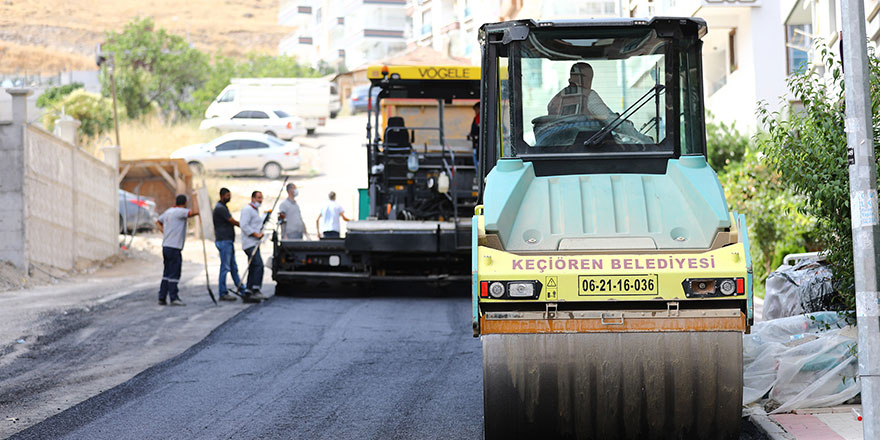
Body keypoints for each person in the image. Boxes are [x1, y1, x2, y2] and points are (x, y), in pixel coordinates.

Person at [547, 62, 650, 142]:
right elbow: (615, 124)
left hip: (560, 153)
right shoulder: (588, 96)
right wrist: (646, 141)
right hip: (586, 152)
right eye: (589, 78)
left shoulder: (555, 100)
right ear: (582, 78)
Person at [155, 194, 199, 306]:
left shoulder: (169, 211)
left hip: (166, 246)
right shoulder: (180, 211)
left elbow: (158, 222)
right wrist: (195, 197)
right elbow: (195, 212)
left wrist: (165, 233)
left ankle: (162, 296)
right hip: (174, 247)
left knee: (166, 272)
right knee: (174, 272)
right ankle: (174, 297)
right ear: (184, 203)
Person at [212, 188, 242, 302]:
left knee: (233, 267)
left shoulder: (223, 207)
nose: (229, 198)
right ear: (221, 196)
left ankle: (241, 288)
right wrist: (243, 225)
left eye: (230, 195)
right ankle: (222, 292)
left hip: (228, 241)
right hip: (224, 241)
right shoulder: (220, 208)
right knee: (225, 267)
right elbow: (231, 220)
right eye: (227, 195)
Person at [240, 191, 267, 303]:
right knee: (258, 265)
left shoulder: (255, 211)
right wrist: (256, 234)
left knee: (252, 266)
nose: (260, 200)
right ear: (253, 198)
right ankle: (256, 288)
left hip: (255, 243)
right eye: (258, 198)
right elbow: (244, 225)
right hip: (249, 243)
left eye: (261, 198)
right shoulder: (247, 210)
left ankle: (248, 290)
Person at [467, 101, 480, 167]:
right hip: (476, 144)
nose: (475, 112)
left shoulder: (480, 118)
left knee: (477, 161)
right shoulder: (476, 118)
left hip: (478, 144)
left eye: (476, 110)